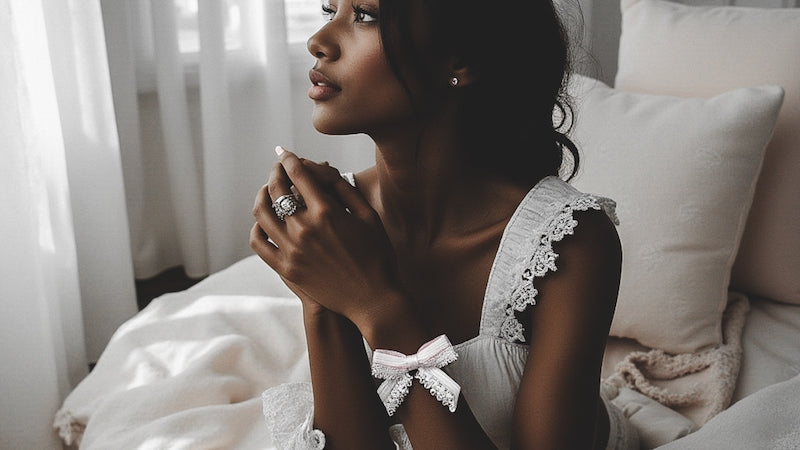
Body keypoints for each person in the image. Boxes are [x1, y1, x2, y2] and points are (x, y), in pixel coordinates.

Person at [250, 0, 638, 448]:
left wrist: (379, 307)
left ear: (461, 59)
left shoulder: (569, 241)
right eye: (328, 10)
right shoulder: (334, 226)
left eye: (365, 15)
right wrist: (321, 299)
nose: (317, 42)